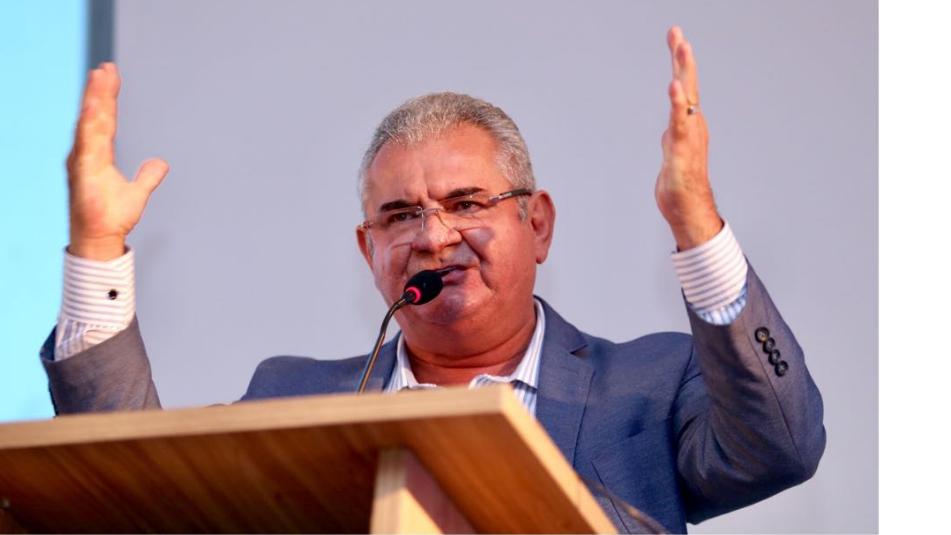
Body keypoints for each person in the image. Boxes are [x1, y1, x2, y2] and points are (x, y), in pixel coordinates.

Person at [39, 27, 825, 533]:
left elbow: (779, 447)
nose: (433, 236)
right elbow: (131, 490)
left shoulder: (647, 387)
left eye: (466, 203)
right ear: (368, 248)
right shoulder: (292, 395)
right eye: (399, 215)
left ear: (537, 223)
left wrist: (695, 223)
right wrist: (98, 247)